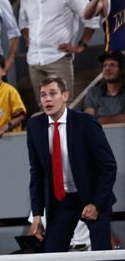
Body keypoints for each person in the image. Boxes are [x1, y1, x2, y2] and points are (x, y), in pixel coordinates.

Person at [26, 76, 117, 252]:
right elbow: (36, 173)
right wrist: (37, 214)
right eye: (43, 95)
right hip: (61, 201)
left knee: (102, 252)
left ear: (65, 96)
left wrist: (96, 204)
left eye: (53, 93)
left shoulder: (86, 122)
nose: (47, 99)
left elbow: (109, 165)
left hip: (92, 196)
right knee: (52, 253)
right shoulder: (35, 126)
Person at [19, 0, 99, 99]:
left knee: (64, 108)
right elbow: (24, 24)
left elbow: (91, 16)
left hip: (58, 58)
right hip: (34, 61)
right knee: (44, 109)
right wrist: (31, 40)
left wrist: (81, 45)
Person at [83, 52, 125, 124]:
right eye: (105, 65)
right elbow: (89, 120)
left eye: (112, 65)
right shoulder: (93, 92)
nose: (107, 68)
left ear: (122, 69)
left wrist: (101, 120)